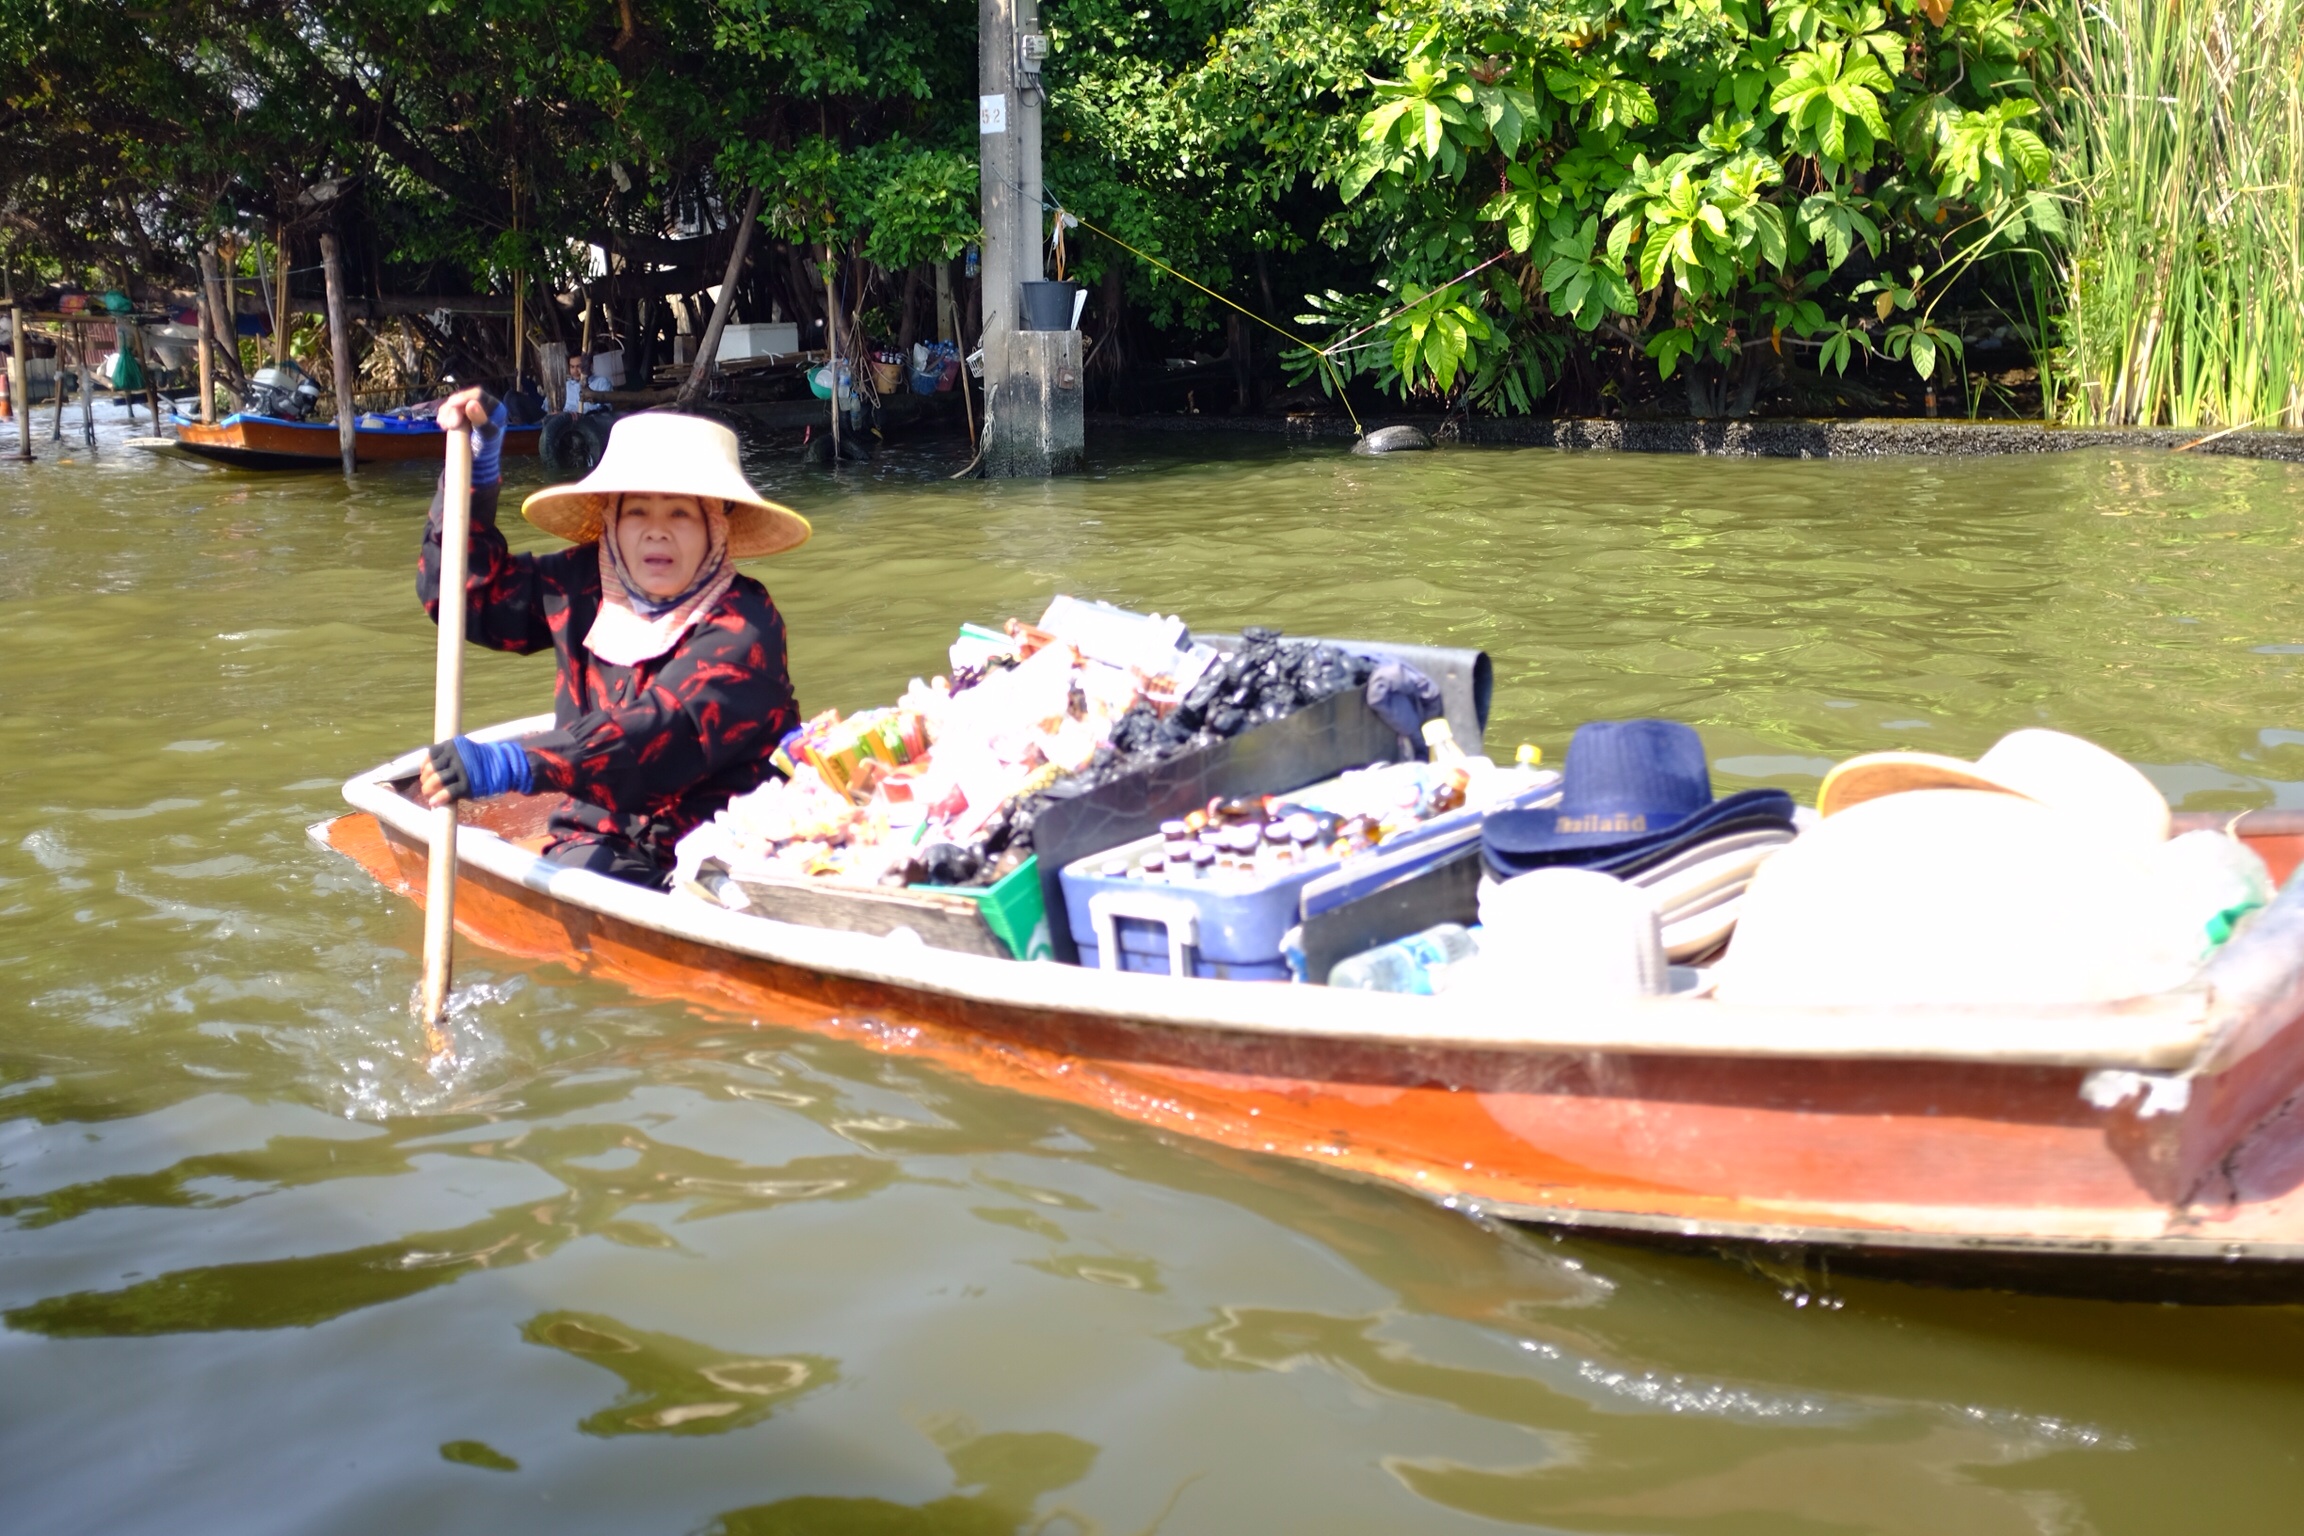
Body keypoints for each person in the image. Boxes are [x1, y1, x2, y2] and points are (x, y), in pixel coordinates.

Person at [416, 388, 811, 886]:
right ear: (612, 522)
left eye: (681, 513)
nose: (656, 532)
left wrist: (517, 763)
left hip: (725, 845)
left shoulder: (746, 624)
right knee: (582, 871)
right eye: (638, 511)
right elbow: (464, 598)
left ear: (715, 527)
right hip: (599, 837)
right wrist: (476, 468)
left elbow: (663, 733)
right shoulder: (581, 583)